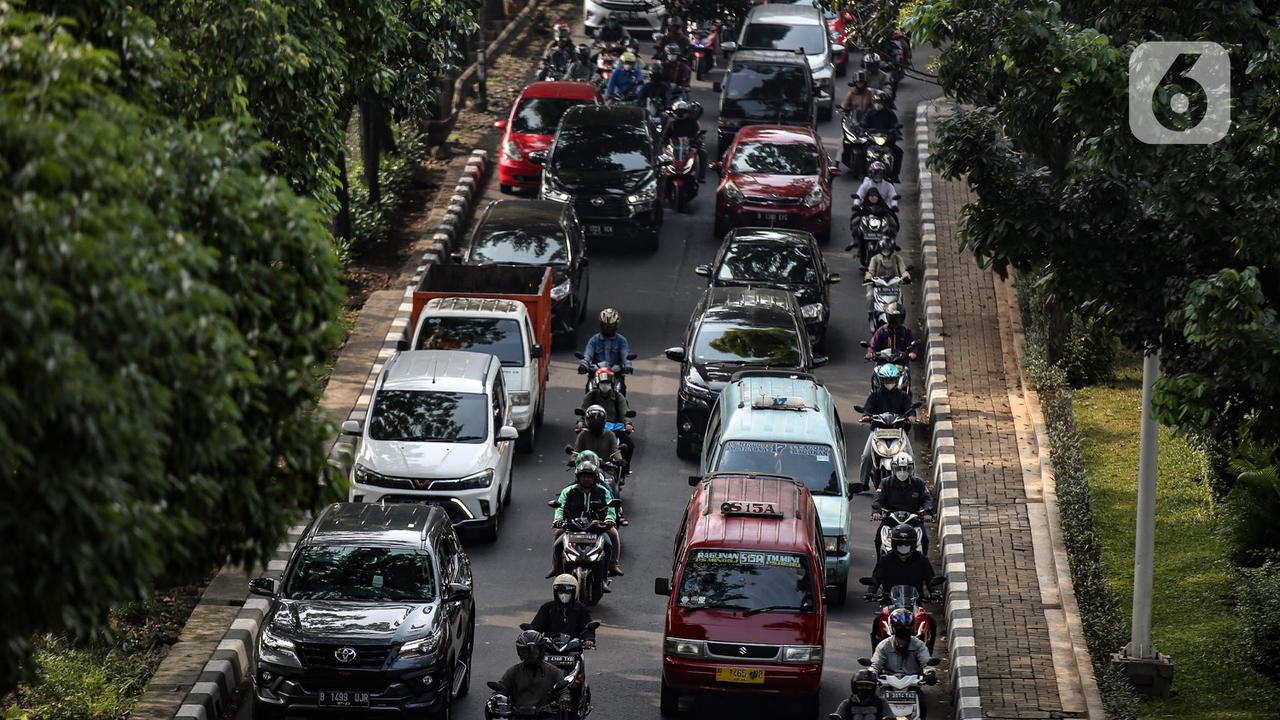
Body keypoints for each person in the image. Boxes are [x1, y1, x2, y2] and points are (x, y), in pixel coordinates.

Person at [548, 455, 622, 579]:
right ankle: (556, 568)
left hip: (598, 526)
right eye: (583, 476)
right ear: (578, 477)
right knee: (557, 542)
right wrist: (558, 520)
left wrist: (609, 520)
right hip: (572, 526)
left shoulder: (603, 491)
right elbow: (560, 507)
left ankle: (611, 568)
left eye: (589, 476)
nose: (586, 479)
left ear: (595, 478)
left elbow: (610, 508)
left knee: (611, 539)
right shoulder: (568, 491)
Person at [858, 364, 915, 488]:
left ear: (896, 380)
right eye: (886, 380)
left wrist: (911, 417)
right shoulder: (875, 396)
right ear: (881, 380)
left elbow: (910, 409)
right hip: (878, 431)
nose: (889, 383)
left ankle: (913, 481)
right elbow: (867, 409)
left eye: (892, 380)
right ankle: (863, 483)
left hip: (898, 431)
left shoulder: (902, 396)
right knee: (866, 456)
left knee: (910, 455)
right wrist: (866, 416)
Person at [869, 611, 936, 717]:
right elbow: (875, 664)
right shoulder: (884, 646)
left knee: (922, 705)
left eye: (906, 627)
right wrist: (871, 674)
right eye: (900, 627)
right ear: (893, 627)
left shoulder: (919, 645)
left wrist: (930, 673)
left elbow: (926, 662)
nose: (903, 630)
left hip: (912, 685)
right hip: (888, 685)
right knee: (876, 706)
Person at [496, 630, 571, 711]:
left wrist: (564, 699)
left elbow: (563, 691)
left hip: (545, 716)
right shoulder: (512, 672)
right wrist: (496, 699)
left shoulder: (554, 672)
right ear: (520, 651)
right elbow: (501, 689)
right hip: (517, 716)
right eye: (526, 651)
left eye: (534, 650)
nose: (530, 654)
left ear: (541, 650)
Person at [873, 453, 934, 552]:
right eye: (899, 469)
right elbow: (878, 499)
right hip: (890, 519)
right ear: (893, 469)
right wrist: (876, 511)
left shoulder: (919, 483)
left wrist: (927, 513)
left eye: (906, 469)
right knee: (878, 539)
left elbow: (927, 499)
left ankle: (923, 564)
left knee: (924, 539)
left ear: (911, 469)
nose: (902, 472)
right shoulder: (885, 483)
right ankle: (880, 563)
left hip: (914, 519)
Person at [579, 372, 634, 467]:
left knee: (629, 445)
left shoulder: (618, 396)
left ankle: (623, 471)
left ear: (612, 384)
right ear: (597, 383)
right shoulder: (591, 395)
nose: (605, 385)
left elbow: (624, 411)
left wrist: (628, 423)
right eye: (603, 383)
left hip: (615, 430)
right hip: (593, 428)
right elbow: (583, 410)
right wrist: (580, 422)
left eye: (607, 383)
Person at [530, 575, 598, 648]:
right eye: (561, 592)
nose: (564, 595)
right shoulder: (547, 608)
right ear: (556, 593)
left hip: (573, 648)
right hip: (550, 649)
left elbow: (587, 628)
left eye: (567, 592)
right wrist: (530, 634)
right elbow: (536, 627)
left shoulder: (581, 608)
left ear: (574, 592)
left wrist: (588, 639)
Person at [869, 526, 936, 598]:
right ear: (894, 544)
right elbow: (876, 578)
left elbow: (930, 579)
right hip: (889, 601)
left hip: (915, 602)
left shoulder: (921, 559)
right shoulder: (885, 559)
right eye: (900, 544)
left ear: (913, 544)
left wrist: (934, 592)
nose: (903, 547)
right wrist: (871, 592)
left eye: (907, 544)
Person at [580, 308, 633, 379]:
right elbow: (588, 355)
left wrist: (628, 366)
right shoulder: (594, 340)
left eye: (611, 326)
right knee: (590, 386)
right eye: (605, 325)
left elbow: (625, 355)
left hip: (615, 373)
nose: (608, 328)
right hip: (596, 373)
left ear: (616, 325)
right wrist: (583, 365)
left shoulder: (621, 340)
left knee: (620, 387)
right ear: (601, 325)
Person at [861, 91, 903, 181]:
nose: (878, 104)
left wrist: (895, 131)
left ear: (884, 103)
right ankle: (862, 173)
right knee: (862, 151)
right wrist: (863, 130)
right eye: (876, 102)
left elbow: (895, 125)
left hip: (886, 141)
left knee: (899, 152)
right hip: (872, 140)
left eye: (880, 102)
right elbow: (864, 123)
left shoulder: (890, 114)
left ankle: (895, 175)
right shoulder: (870, 113)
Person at [661, 99, 706, 181]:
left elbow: (697, 134)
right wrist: (664, 144)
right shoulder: (671, 123)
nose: (680, 114)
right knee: (660, 156)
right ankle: (659, 175)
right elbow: (665, 136)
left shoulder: (692, 122)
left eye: (682, 111)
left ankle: (700, 176)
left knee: (702, 153)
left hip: (689, 146)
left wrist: (696, 141)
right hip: (674, 147)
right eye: (678, 112)